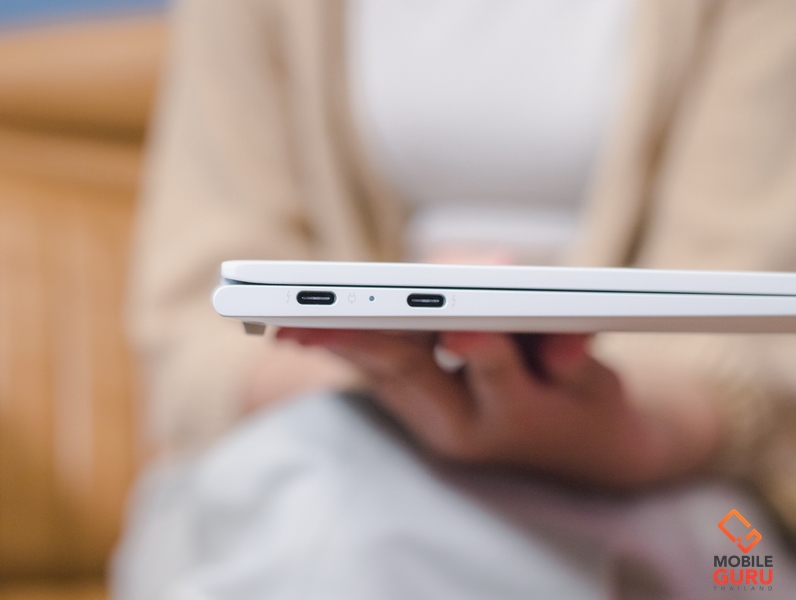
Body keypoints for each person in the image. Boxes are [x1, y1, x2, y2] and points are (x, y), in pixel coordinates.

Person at [113, 1, 796, 598]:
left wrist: (627, 436)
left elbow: (755, 347)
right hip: (313, 437)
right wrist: (386, 379)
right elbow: (196, 326)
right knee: (333, 509)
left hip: (675, 482)